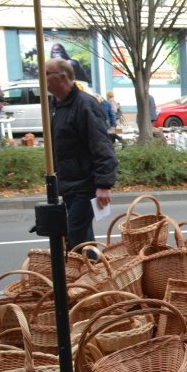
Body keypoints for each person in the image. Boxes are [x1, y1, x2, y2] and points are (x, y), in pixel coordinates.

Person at [45, 58, 117, 249]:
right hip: (68, 185)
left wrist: (104, 184)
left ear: (61, 77)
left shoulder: (85, 104)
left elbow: (101, 144)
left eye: (46, 74)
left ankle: (80, 275)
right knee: (83, 241)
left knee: (74, 239)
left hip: (85, 186)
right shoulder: (55, 106)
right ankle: (93, 274)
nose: (42, 79)